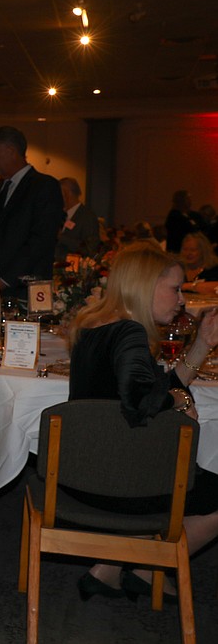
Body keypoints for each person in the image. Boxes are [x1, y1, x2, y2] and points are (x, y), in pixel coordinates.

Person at [67, 242, 218, 601]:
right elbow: (140, 401)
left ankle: (109, 569)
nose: (182, 300)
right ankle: (148, 565)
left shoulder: (99, 327)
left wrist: (201, 346)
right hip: (123, 483)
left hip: (82, 471)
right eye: (175, 288)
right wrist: (178, 401)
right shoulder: (129, 333)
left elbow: (147, 391)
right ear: (146, 285)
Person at [0, 126, 65, 298]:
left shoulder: (44, 186)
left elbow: (41, 240)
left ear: (11, 151)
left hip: (26, 290)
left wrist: (5, 280)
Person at [55, 177, 101, 260]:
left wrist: (61, 237)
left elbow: (89, 249)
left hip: (72, 268)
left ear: (68, 194)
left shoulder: (87, 217)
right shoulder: (60, 214)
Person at [164, 189, 207, 254]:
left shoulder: (193, 215)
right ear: (181, 200)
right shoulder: (174, 216)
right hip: (179, 249)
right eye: (187, 198)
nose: (190, 201)